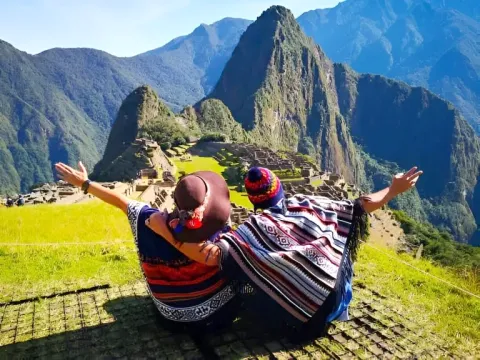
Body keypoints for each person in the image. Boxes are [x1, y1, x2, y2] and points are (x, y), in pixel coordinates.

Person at [145, 166, 423, 340]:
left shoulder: (253, 229)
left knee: (243, 278)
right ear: (280, 188)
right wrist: (393, 189)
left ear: (253, 200)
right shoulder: (311, 203)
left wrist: (166, 232)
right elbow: (361, 205)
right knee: (337, 242)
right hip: (335, 299)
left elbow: (211, 255)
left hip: (306, 322)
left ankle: (290, 305)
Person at [55, 162, 242, 335]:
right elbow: (219, 257)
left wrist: (84, 183)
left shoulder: (147, 221)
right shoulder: (219, 226)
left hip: (173, 318)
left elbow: (120, 201)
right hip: (222, 313)